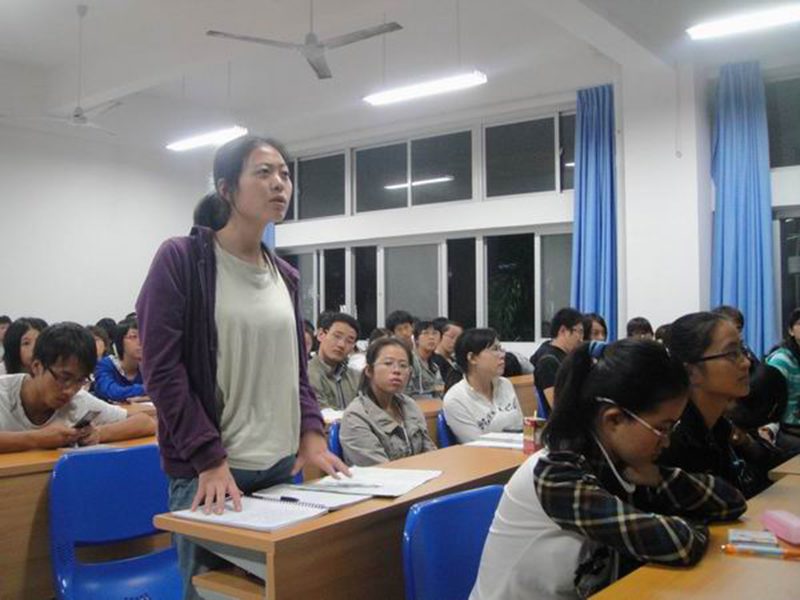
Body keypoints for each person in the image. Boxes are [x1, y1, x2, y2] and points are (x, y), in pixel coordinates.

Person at [136, 134, 348, 599]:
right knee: (212, 593)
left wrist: (311, 433)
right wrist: (208, 459)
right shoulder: (182, 259)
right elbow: (163, 370)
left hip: (278, 466)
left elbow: (294, 370)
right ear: (226, 188)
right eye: (263, 172)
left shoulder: (285, 275)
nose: (279, 183)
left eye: (285, 174)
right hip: (213, 472)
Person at [471, 339, 746, 600]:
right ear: (613, 420)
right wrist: (693, 524)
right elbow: (679, 543)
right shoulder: (557, 475)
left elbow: (731, 501)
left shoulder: (620, 461)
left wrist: (659, 478)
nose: (667, 441)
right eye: (661, 428)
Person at [659, 312, 778, 498]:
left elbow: (772, 465)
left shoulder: (720, 424)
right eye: (732, 354)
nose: (746, 363)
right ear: (691, 372)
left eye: (742, 350)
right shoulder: (672, 440)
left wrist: (747, 442)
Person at [0, 323, 155, 453]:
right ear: (37, 367)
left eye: (80, 380)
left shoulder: (79, 399)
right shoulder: (3, 391)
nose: (70, 390)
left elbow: (146, 422)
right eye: (64, 378)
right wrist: (37, 439)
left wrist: (99, 434)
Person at [340, 337, 436, 466]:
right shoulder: (356, 416)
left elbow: (430, 453)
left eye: (403, 365)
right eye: (388, 363)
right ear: (369, 370)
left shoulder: (409, 405)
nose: (397, 371)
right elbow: (382, 471)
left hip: (421, 475)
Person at [443, 328, 523, 443]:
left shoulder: (505, 384)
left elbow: (521, 427)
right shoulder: (455, 399)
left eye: (501, 349)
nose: (502, 355)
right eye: (495, 349)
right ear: (472, 358)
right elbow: (477, 444)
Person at [529, 307, 583, 412]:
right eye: (579, 332)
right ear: (563, 331)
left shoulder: (567, 357)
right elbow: (558, 407)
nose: (581, 339)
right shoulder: (548, 362)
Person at [307, 312, 360, 410]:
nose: (341, 345)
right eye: (337, 336)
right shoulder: (306, 374)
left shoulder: (357, 378)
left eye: (349, 341)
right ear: (320, 334)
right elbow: (320, 412)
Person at [765, 308, 800, 452]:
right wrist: (768, 428)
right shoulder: (782, 360)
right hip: (787, 430)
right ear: (791, 331)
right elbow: (767, 400)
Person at [93, 319, 148, 403]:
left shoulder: (149, 365)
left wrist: (144, 397)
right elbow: (113, 392)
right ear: (119, 342)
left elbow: (165, 390)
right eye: (133, 337)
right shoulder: (105, 365)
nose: (141, 342)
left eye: (143, 336)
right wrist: (149, 388)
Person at [406, 320, 444, 398]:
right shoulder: (410, 361)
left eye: (435, 333)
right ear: (416, 339)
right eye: (425, 333)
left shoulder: (435, 365)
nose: (431, 337)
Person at [432, 320, 462, 385]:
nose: (455, 341)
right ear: (439, 335)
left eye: (459, 338)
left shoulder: (456, 361)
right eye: (451, 337)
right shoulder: (433, 361)